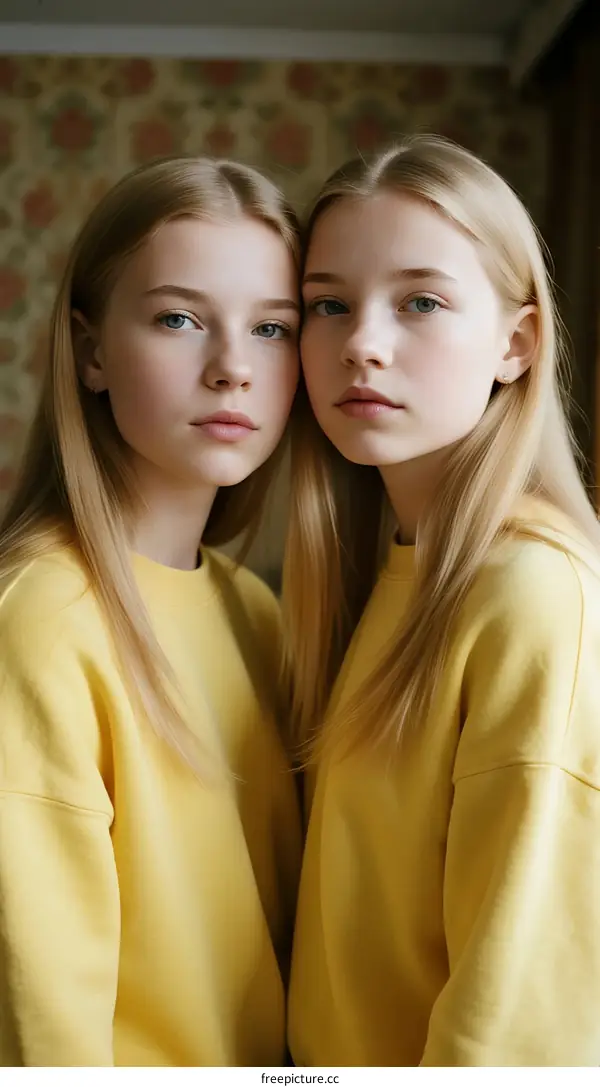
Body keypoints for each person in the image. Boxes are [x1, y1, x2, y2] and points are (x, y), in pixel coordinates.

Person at [284, 135, 600, 1066]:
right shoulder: (382, 576)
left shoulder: (533, 595)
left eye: (420, 302)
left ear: (516, 343)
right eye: (327, 306)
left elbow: (517, 1018)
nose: (361, 345)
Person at [0, 156, 302, 1067]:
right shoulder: (41, 615)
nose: (233, 369)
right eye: (179, 319)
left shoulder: (257, 613)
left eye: (273, 329)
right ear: (91, 352)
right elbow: (40, 1007)